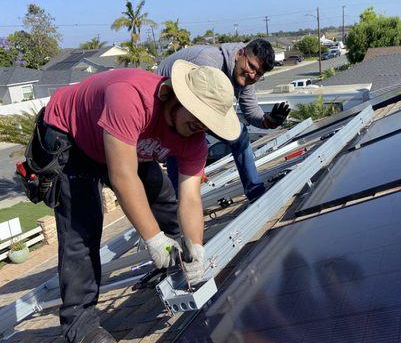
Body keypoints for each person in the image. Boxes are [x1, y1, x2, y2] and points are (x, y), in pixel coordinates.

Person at [23, 61, 240, 343]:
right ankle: (80, 324)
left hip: (126, 143)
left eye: (207, 123)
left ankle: (180, 266)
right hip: (73, 137)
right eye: (197, 116)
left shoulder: (194, 140)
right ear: (176, 95)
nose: (200, 126)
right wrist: (153, 238)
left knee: (162, 197)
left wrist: (195, 245)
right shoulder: (130, 97)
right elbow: (123, 176)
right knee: (82, 230)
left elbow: (190, 197)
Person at [157, 39, 291, 202]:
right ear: (240, 54)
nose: (252, 75)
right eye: (252, 67)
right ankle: (179, 211)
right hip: (165, 102)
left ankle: (255, 192)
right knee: (184, 146)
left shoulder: (245, 75)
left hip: (191, 107)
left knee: (238, 136)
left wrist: (267, 121)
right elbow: (197, 109)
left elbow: (250, 111)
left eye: (259, 74)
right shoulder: (207, 64)